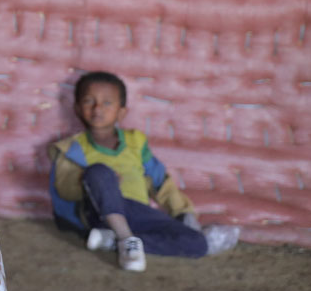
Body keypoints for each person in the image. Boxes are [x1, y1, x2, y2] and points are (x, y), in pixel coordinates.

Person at [49, 71, 236, 272]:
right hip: (98, 213)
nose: (97, 109)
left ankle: (114, 241)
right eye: (89, 101)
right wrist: (100, 183)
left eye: (107, 103)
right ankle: (124, 236)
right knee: (99, 172)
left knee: (198, 243)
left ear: (121, 112)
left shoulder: (135, 142)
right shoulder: (72, 148)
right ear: (77, 108)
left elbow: (159, 181)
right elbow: (65, 190)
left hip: (138, 212)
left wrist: (182, 212)